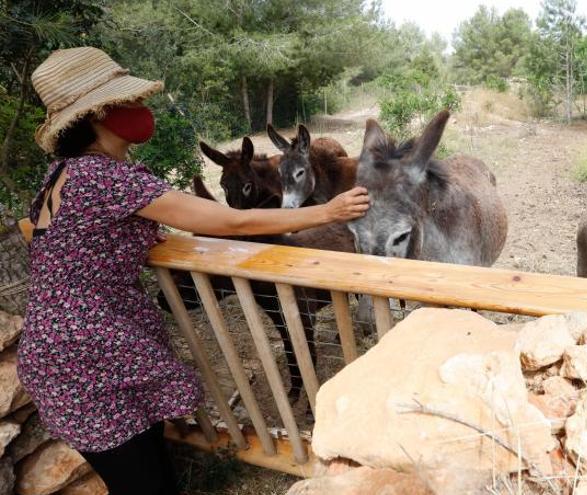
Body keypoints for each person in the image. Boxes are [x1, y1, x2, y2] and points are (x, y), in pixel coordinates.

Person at [19, 46, 370, 495]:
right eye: (129, 101)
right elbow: (232, 221)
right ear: (99, 114)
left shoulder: (62, 174)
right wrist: (326, 213)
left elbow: (72, 239)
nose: (141, 109)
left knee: (144, 477)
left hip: (61, 351)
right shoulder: (105, 179)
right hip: (87, 360)